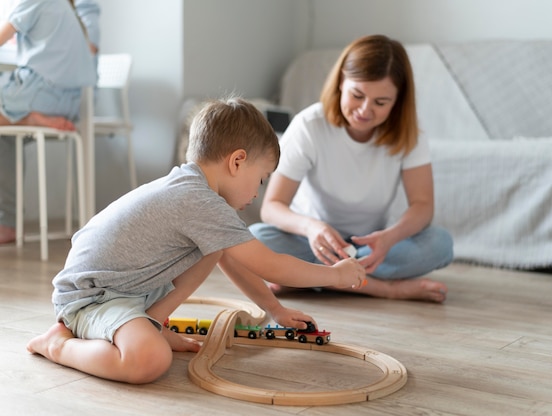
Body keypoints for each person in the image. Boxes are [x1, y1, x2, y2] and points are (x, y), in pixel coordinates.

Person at [27, 97, 366, 384]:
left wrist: (275, 309)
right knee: (148, 360)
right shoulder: (198, 200)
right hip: (93, 297)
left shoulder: (196, 194)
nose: (257, 193)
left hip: (127, 289)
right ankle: (59, 345)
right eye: (261, 180)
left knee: (214, 249)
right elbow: (270, 264)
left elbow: (233, 260)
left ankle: (151, 323)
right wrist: (335, 275)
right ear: (237, 161)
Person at [249, 34, 454, 303]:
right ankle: (381, 288)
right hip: (312, 244)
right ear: (341, 83)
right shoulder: (309, 125)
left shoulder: (409, 134)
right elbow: (272, 207)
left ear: (398, 101)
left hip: (369, 249)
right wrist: (311, 228)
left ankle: (304, 279)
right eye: (357, 95)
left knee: (439, 244)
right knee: (255, 239)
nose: (365, 110)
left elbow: (423, 205)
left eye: (381, 102)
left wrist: (390, 238)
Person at [0, 0, 97, 244]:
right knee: (4, 139)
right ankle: (8, 223)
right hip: (69, 101)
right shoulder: (67, 9)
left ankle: (27, 118)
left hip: (39, 95)